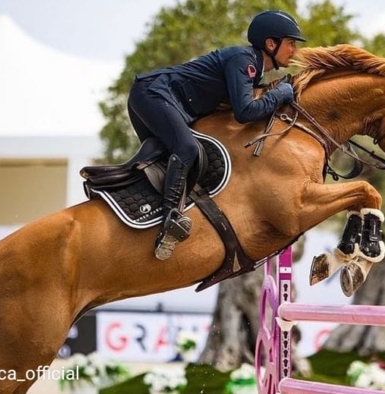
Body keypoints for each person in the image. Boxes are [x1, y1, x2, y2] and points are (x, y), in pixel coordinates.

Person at [128, 10, 306, 260]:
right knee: (187, 149)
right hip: (154, 93)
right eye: (291, 43)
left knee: (167, 157)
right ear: (270, 43)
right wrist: (280, 94)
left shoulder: (253, 69)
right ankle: (171, 218)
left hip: (158, 97)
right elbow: (245, 112)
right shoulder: (244, 61)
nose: (295, 50)